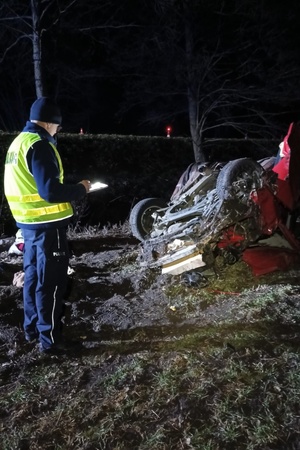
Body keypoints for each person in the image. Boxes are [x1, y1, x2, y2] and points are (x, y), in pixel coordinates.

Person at [4, 97, 91, 355]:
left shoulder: (18, 143)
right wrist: (81, 189)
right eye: (57, 126)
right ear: (49, 123)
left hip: (29, 225)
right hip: (47, 228)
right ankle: (51, 340)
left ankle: (32, 329)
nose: (57, 131)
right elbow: (50, 192)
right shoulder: (40, 145)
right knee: (51, 283)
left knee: (32, 278)